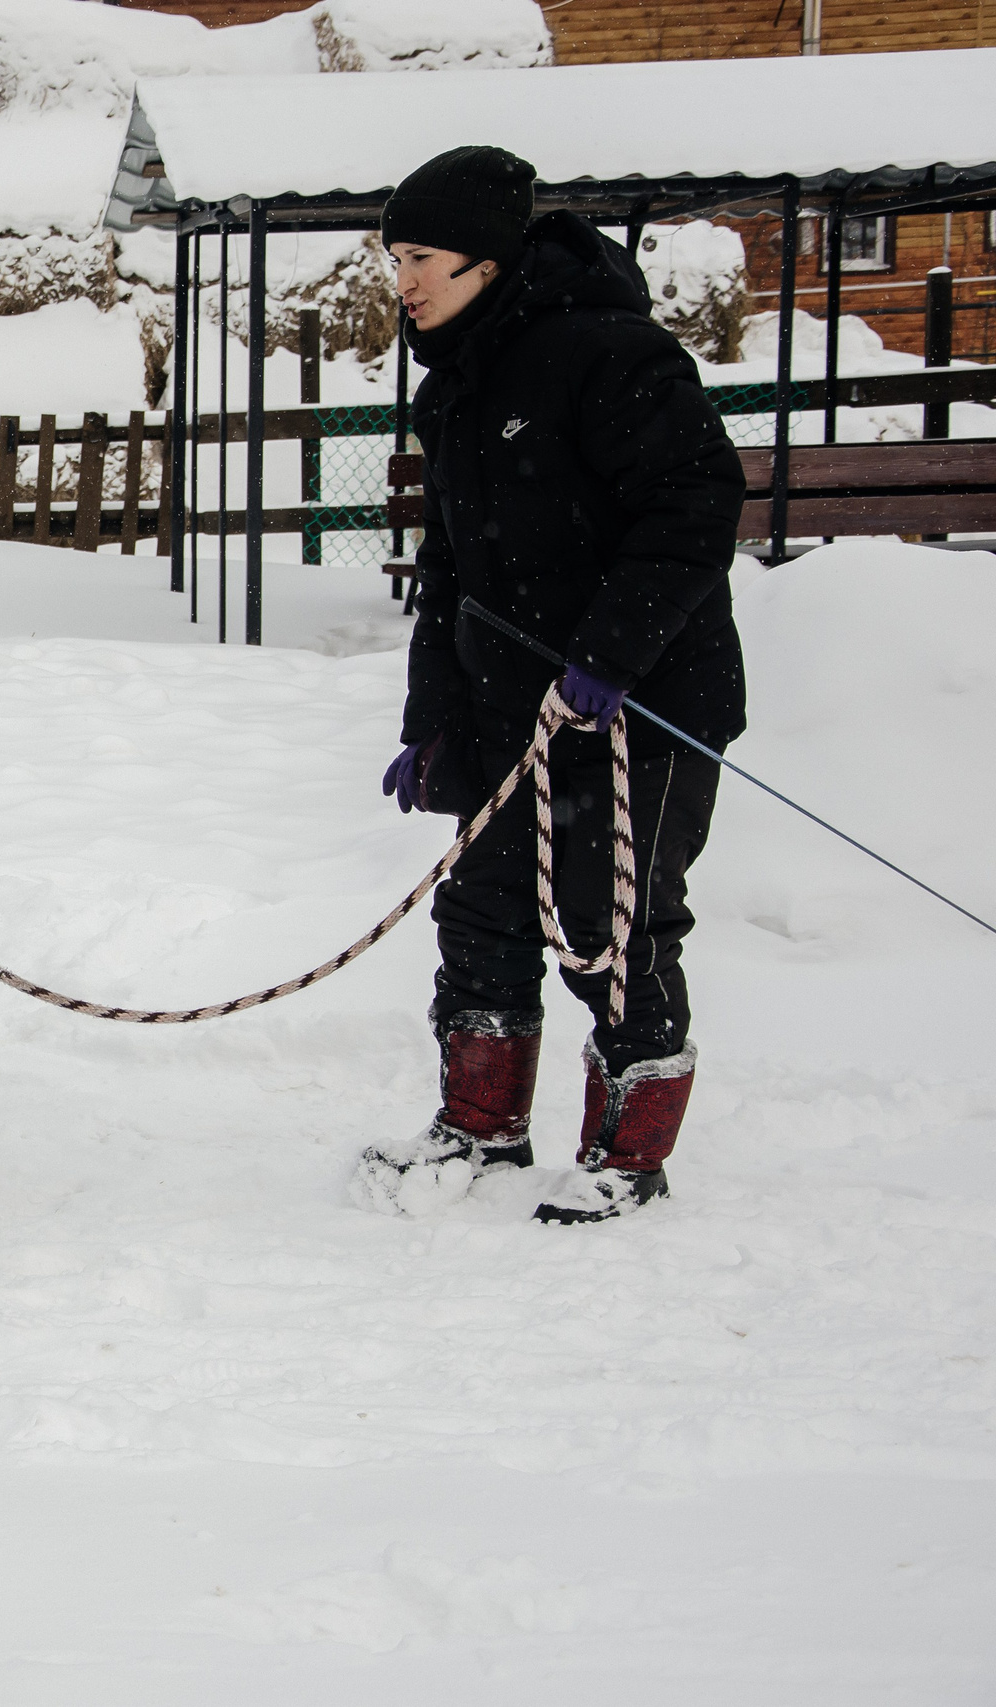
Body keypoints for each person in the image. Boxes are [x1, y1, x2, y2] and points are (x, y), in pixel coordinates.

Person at [352, 146, 746, 1224]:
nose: (404, 280)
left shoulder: (609, 353)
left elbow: (695, 502)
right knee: (479, 908)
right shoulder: (455, 386)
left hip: (639, 708)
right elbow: (450, 574)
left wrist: (610, 657)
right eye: (396, 258)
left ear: (486, 260)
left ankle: (628, 1154)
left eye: (421, 256)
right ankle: (478, 1129)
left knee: (609, 922)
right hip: (503, 707)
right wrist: (433, 719)